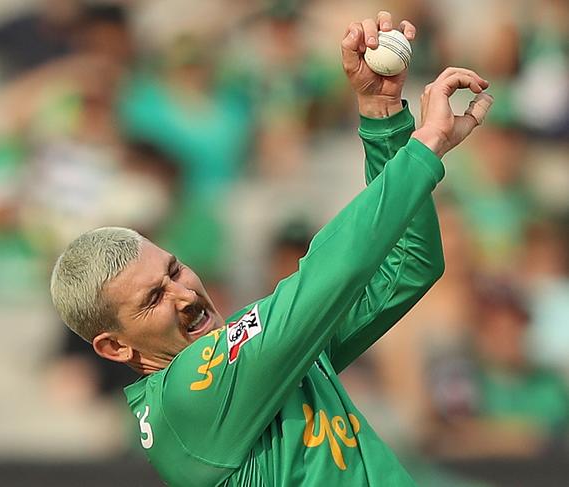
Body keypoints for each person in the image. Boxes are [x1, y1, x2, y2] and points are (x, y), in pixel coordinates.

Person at [50, 11, 493, 486]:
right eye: (152, 299)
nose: (182, 294)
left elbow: (409, 267)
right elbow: (329, 271)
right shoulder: (188, 395)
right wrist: (423, 146)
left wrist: (383, 117)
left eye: (174, 271)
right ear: (115, 346)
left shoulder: (264, 362)